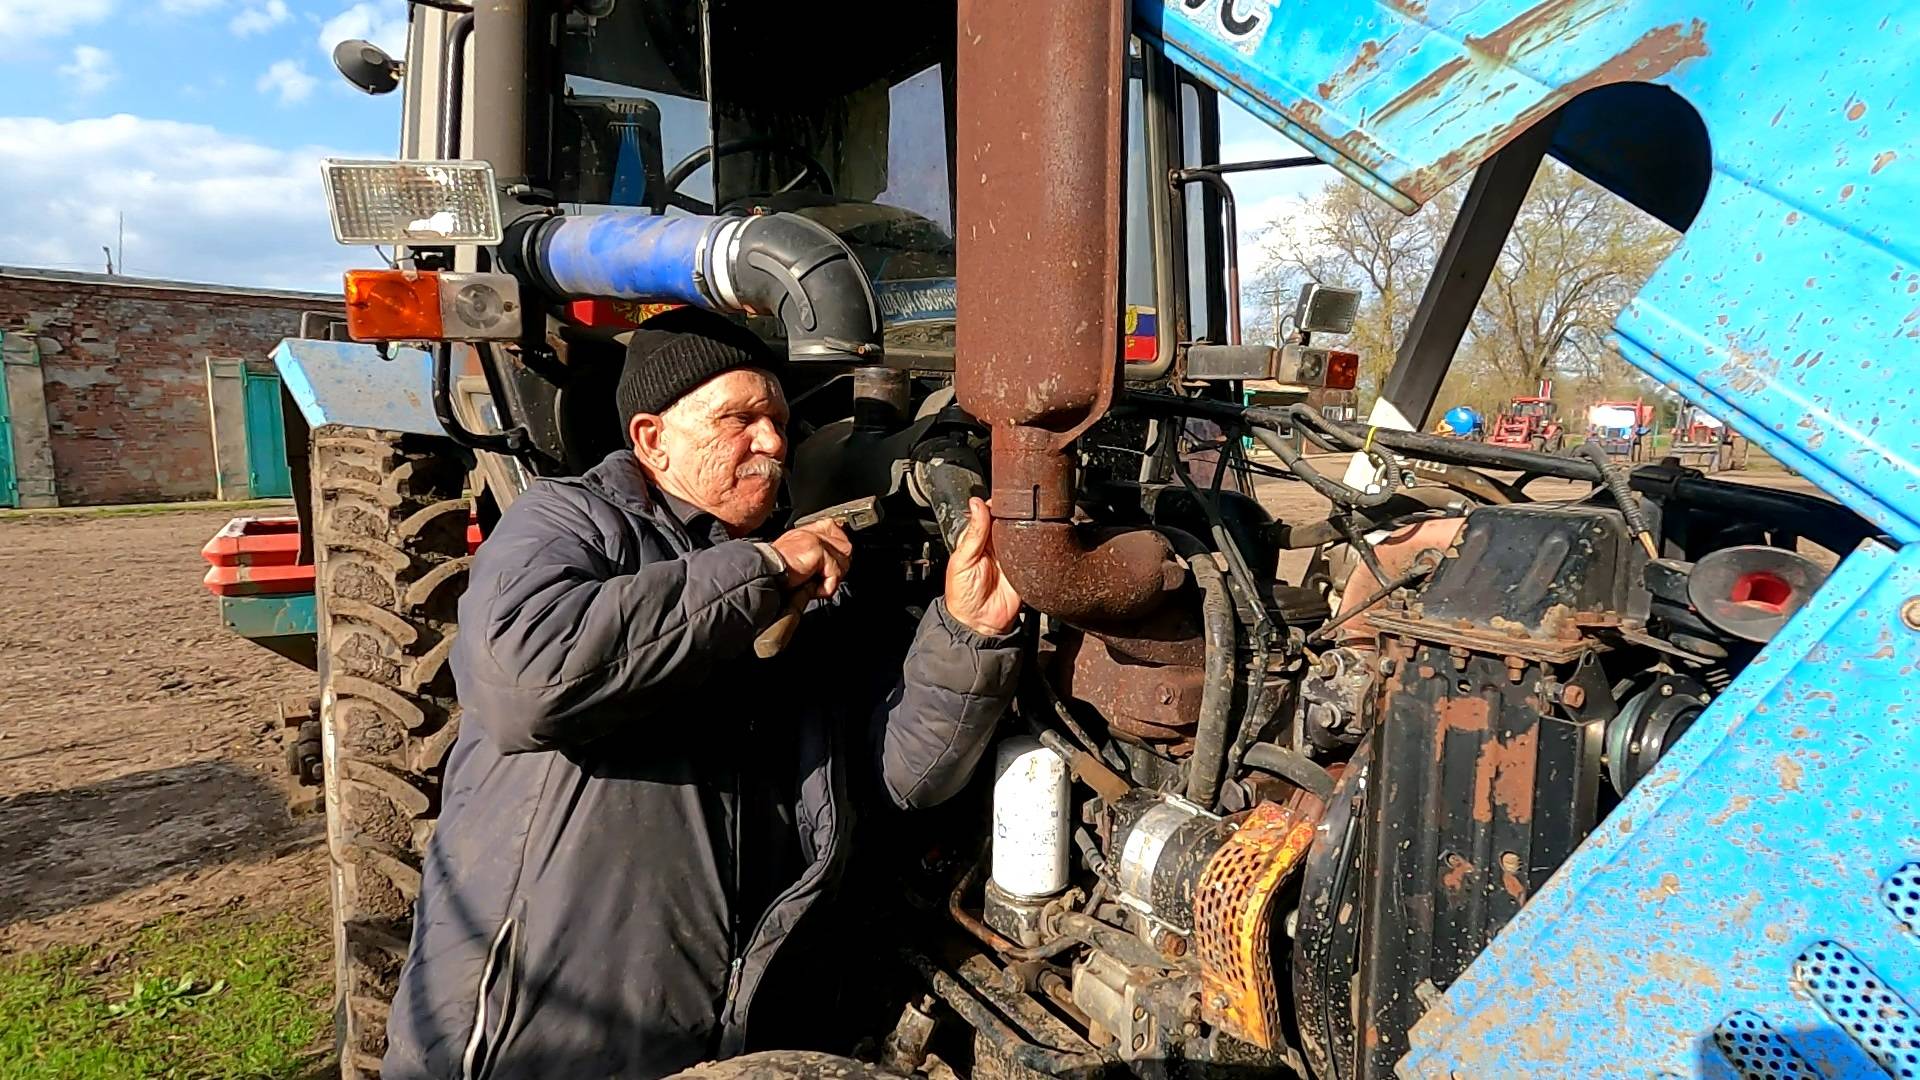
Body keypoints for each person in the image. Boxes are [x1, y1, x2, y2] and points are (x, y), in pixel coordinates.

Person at [383, 307, 1023, 1079]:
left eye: (780, 420)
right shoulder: (570, 521)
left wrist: (967, 634)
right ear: (653, 438)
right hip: (536, 1040)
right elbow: (528, 681)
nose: (774, 442)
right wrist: (763, 571)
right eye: (740, 419)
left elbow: (899, 776)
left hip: (720, 1037)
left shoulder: (814, 590)